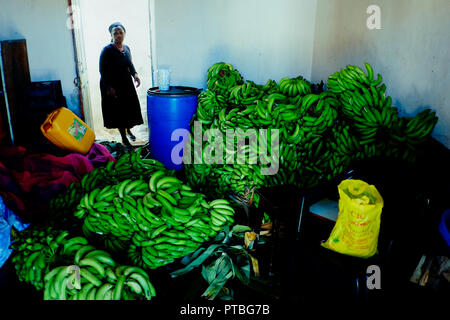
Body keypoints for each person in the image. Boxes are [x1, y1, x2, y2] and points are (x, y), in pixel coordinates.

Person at [99, 22, 143, 146]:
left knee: (129, 110)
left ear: (124, 34)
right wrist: (109, 88)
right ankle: (124, 138)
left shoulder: (127, 48)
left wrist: (135, 75)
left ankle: (128, 130)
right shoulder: (107, 50)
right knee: (118, 112)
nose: (118, 35)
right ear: (111, 35)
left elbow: (130, 64)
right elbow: (102, 70)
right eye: (115, 33)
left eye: (120, 33)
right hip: (113, 86)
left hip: (126, 84)